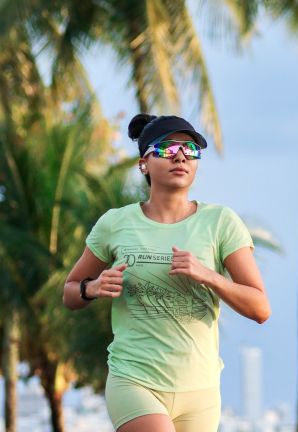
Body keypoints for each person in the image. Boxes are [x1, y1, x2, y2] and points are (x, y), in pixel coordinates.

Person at [63, 114, 271, 432]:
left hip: (200, 390)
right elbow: (70, 291)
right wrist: (92, 288)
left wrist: (209, 276)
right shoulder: (115, 223)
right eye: (166, 149)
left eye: (190, 149)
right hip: (135, 379)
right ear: (143, 163)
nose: (181, 156)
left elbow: (260, 308)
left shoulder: (220, 222)